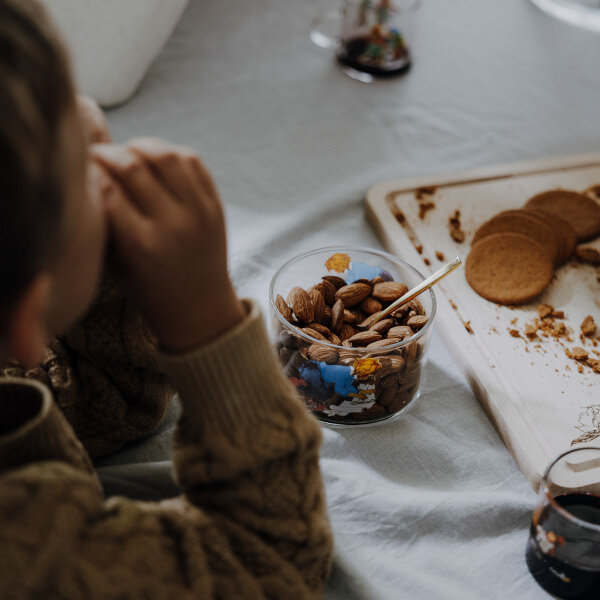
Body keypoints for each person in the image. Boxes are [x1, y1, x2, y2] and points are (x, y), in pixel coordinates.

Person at [0, 0, 333, 597]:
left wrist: (83, 245)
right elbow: (265, 563)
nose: (90, 115)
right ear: (29, 321)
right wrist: (202, 320)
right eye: (80, 166)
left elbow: (99, 408)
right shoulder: (29, 550)